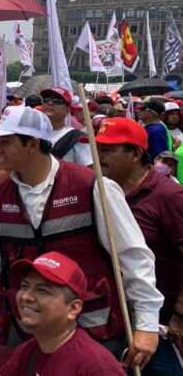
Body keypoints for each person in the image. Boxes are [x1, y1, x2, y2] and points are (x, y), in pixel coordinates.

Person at [0, 105, 163, 369]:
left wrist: (146, 324)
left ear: (32, 144)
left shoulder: (94, 186)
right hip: (31, 333)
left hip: (95, 332)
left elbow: (134, 258)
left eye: (5, 142)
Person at [92, 117, 183, 374]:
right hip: (116, 321)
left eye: (108, 150)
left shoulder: (169, 196)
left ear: (135, 153)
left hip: (163, 326)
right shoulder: (99, 192)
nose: (99, 156)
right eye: (98, 148)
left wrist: (179, 316)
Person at [0, 251, 125, 376]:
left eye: (42, 291)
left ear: (73, 309)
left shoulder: (96, 367)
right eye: (24, 286)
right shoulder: (28, 351)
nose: (27, 297)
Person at [39, 88, 92, 165]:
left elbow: (89, 172)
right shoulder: (32, 133)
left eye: (57, 101)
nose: (50, 103)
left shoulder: (77, 138)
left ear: (67, 110)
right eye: (46, 99)